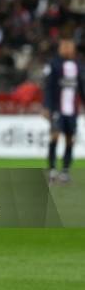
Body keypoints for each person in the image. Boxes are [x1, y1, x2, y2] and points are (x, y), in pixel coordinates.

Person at [43, 36, 85, 183]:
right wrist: (47, 106)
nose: (67, 49)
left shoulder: (78, 66)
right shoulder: (53, 64)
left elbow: (82, 87)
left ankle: (65, 170)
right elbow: (48, 87)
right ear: (60, 48)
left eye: (70, 46)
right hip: (57, 108)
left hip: (71, 110)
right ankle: (52, 169)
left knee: (70, 140)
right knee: (54, 136)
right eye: (65, 46)